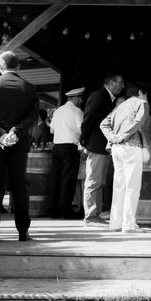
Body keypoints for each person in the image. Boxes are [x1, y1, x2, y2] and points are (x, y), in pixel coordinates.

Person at [0, 51, 39, 242]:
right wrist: (15, 133)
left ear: (1, 67)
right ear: (18, 67)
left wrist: (1, 135)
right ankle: (23, 231)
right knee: (19, 185)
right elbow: (33, 117)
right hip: (18, 145)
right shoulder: (29, 88)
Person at [100, 83, 151, 233]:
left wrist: (113, 138)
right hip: (131, 146)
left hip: (116, 149)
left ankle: (115, 223)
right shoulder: (142, 103)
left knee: (119, 186)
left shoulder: (120, 107)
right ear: (141, 92)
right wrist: (123, 136)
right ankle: (128, 224)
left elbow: (103, 124)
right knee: (132, 187)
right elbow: (138, 122)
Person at [80, 73, 125, 226]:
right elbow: (88, 119)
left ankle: (95, 214)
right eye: (120, 83)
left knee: (99, 181)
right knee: (93, 181)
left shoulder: (108, 97)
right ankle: (90, 216)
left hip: (102, 146)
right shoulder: (99, 95)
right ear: (112, 83)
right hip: (96, 144)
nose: (122, 86)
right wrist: (83, 140)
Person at [49, 87, 85, 219]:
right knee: (68, 180)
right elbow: (82, 130)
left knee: (56, 178)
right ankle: (65, 211)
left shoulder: (58, 111)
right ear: (74, 98)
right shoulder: (77, 111)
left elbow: (52, 131)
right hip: (70, 147)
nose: (81, 101)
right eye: (80, 98)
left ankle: (53, 210)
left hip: (57, 146)